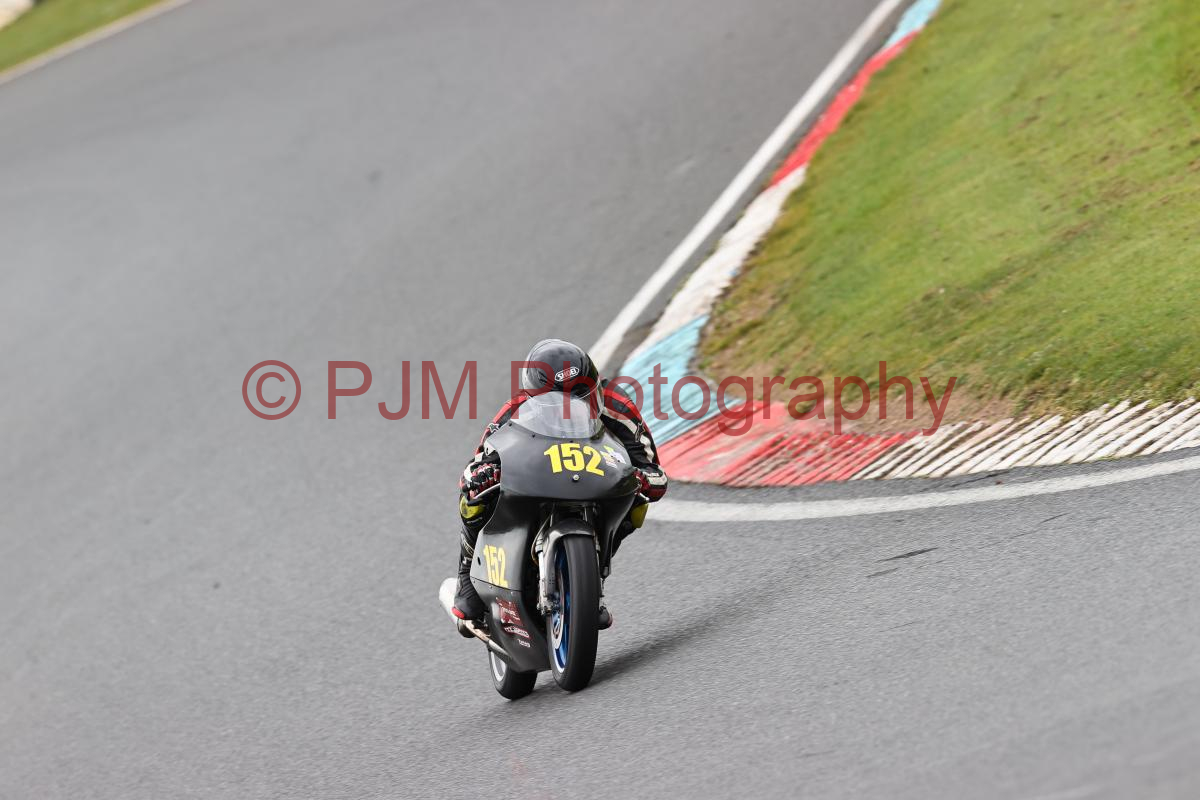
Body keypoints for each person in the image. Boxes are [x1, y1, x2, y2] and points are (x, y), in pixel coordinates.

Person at [451, 339, 667, 629]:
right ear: (532, 399)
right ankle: (466, 571)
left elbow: (654, 471)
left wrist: (640, 479)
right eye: (555, 405)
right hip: (538, 477)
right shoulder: (516, 410)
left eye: (583, 398)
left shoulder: (617, 406)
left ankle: (592, 580)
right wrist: (485, 474)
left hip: (594, 481)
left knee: (637, 500)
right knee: (475, 493)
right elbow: (472, 469)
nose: (571, 411)